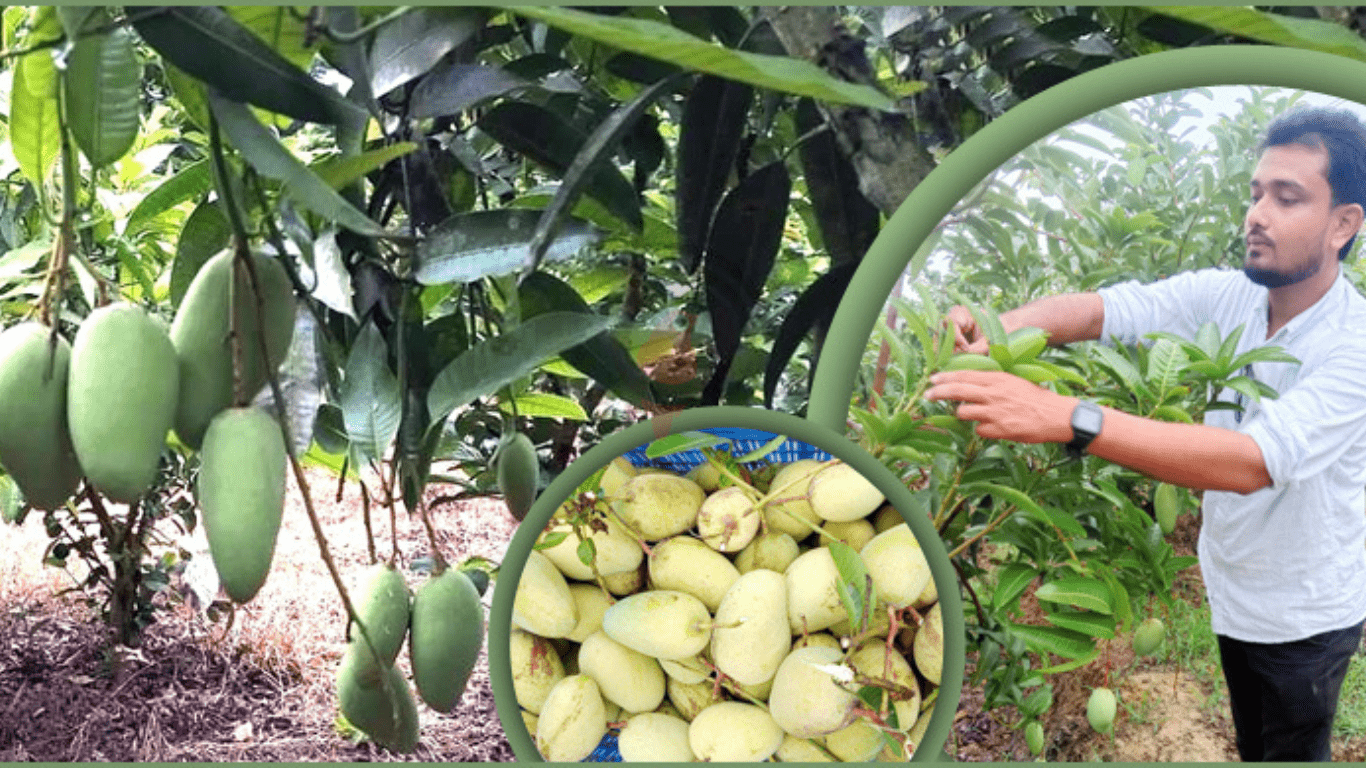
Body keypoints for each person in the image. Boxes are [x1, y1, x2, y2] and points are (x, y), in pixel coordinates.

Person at [926, 105, 1366, 761]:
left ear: (1343, 224)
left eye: (1287, 197)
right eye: (1254, 194)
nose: (1257, 215)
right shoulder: (1232, 298)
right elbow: (1115, 310)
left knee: (1291, 750)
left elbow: (1252, 461)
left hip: (1306, 615)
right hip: (1235, 588)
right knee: (1255, 745)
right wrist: (999, 330)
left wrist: (1068, 416)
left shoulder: (1354, 345)